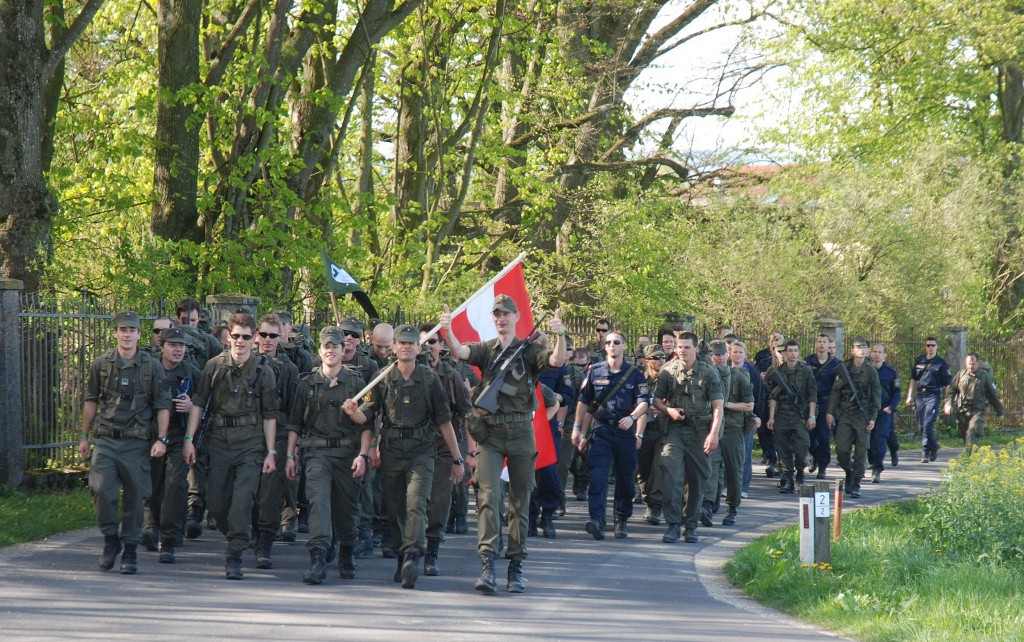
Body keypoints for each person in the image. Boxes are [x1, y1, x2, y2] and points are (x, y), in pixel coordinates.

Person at [440, 295, 566, 594]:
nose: (501, 319)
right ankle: (488, 565)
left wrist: (560, 334)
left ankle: (516, 567)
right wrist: (448, 330)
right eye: (496, 314)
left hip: (522, 431)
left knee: (521, 500)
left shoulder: (532, 350)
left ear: (517, 316)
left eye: (506, 314)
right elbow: (459, 351)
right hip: (490, 434)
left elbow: (556, 360)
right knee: (488, 496)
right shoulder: (487, 349)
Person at [183, 312, 279, 580]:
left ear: (254, 339)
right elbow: (199, 404)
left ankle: (235, 553)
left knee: (242, 499)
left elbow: (270, 415)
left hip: (251, 444)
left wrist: (271, 452)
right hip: (219, 442)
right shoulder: (214, 366)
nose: (240, 341)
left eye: (246, 337)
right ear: (228, 337)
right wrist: (189, 439)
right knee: (215, 503)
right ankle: (238, 533)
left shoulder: (263, 371)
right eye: (235, 336)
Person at [78, 311, 172, 575]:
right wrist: (84, 436)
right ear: (116, 333)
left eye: (132, 330)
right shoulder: (101, 364)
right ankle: (111, 539)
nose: (127, 334)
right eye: (123, 330)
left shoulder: (150, 366)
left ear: (139, 334)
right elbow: (91, 400)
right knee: (101, 490)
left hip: (136, 442)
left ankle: (129, 548)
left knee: (134, 497)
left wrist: (162, 438)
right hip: (106, 439)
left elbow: (162, 404)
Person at [374, 324, 465, 589]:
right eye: (401, 342)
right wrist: (355, 414)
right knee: (394, 507)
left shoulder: (429, 378)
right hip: (391, 451)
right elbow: (370, 416)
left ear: (418, 348)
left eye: (411, 343)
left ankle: (413, 554)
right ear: (394, 347)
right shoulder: (383, 378)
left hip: (422, 451)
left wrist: (458, 459)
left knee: (416, 502)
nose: (406, 347)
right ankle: (401, 556)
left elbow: (445, 421)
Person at [285, 326, 374, 584]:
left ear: (342, 349)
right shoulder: (307, 383)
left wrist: (363, 455)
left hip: (347, 454)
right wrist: (290, 456)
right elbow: (294, 424)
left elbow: (367, 424)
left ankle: (347, 550)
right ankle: (318, 557)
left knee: (346, 510)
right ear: (320, 350)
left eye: (335, 346)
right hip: (317, 454)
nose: (331, 350)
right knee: (319, 503)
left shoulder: (357, 384)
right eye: (326, 346)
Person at [572, 330, 650, 540]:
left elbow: (644, 401)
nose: (612, 345)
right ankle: (597, 520)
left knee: (625, 479)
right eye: (608, 343)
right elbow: (585, 403)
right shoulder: (595, 372)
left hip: (624, 432)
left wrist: (632, 418)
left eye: (616, 342)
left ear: (624, 346)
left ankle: (621, 519)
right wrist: (578, 430)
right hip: (602, 430)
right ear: (604, 347)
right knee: (597, 477)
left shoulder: (635, 373)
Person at [652, 331, 724, 544]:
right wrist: (669, 410)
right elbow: (656, 400)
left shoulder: (709, 372)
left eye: (686, 347)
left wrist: (713, 434)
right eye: (679, 347)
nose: (682, 350)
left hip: (700, 430)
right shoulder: (668, 370)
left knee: (697, 479)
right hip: (675, 429)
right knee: (671, 474)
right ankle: (673, 524)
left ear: (696, 348)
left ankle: (691, 525)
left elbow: (718, 406)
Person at [141, 327, 200, 563]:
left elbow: (207, 403)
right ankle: (151, 525)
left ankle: (169, 538)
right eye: (173, 345)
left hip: (180, 436)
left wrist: (192, 405)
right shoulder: (149, 370)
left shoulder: (193, 373)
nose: (178, 350)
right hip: (152, 434)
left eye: (181, 346)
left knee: (175, 484)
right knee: (153, 483)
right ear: (161, 347)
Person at [419, 322, 473, 576]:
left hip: (443, 447)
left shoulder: (451, 376)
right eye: (423, 342)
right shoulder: (405, 372)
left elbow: (466, 415)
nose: (427, 347)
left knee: (439, 502)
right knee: (412, 502)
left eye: (432, 341)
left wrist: (466, 454)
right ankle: (408, 551)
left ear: (441, 345)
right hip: (412, 448)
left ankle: (432, 551)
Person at [253, 314, 300, 568]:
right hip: (248, 432)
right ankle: (250, 529)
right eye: (263, 335)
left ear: (280, 337)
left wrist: (293, 448)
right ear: (256, 336)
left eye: (273, 335)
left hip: (279, 432)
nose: (268, 340)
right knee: (245, 489)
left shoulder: (289, 369)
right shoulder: (246, 364)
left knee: (271, 490)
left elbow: (294, 410)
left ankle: (265, 540)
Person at [703, 340, 753, 526]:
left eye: (724, 354)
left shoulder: (739, 376)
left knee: (734, 469)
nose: (721, 357)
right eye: (717, 354)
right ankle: (709, 503)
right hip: (712, 429)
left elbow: (749, 405)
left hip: (732, 429)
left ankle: (732, 507)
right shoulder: (706, 375)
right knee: (711, 467)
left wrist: (724, 405)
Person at [827, 338, 881, 499]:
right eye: (858, 347)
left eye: (864, 348)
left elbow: (876, 396)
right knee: (842, 449)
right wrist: (830, 412)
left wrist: (873, 417)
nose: (861, 350)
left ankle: (856, 481)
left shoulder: (871, 371)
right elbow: (835, 392)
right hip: (845, 413)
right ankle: (848, 471)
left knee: (861, 451)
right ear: (852, 350)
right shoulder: (845, 368)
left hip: (862, 414)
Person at [766, 339, 817, 494]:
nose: (793, 354)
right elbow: (773, 396)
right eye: (790, 351)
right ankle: (788, 478)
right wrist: (771, 417)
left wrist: (812, 416)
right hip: (782, 414)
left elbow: (812, 394)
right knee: (782, 448)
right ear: (785, 353)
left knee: (802, 447)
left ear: (798, 352)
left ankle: (800, 471)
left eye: (795, 351)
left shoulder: (806, 370)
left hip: (799, 415)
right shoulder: (778, 371)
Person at [944, 353, 1004, 455]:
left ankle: (969, 460)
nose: (971, 366)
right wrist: (948, 404)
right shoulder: (960, 375)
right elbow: (951, 391)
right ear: (965, 363)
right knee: (966, 437)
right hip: (963, 412)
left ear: (978, 363)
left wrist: (1000, 411)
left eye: (973, 363)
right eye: (969, 364)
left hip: (977, 411)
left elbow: (992, 395)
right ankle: (973, 459)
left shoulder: (984, 377)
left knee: (972, 434)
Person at [906, 337, 952, 462]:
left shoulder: (941, 363)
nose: (930, 347)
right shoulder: (919, 360)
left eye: (933, 345)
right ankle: (934, 445)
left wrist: (948, 402)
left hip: (933, 395)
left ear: (937, 347)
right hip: (920, 395)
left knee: (928, 424)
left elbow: (947, 384)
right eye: (928, 345)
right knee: (921, 426)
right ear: (925, 347)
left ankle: (925, 451)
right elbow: (913, 379)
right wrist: (909, 395)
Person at [637, 343, 667, 525]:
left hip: (663, 428)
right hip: (642, 429)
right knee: (642, 470)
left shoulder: (669, 378)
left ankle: (656, 506)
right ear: (647, 360)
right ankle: (649, 501)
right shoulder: (638, 378)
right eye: (656, 357)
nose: (660, 360)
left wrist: (664, 408)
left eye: (662, 356)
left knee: (659, 466)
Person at [805, 333, 840, 479]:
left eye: (824, 342)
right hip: (810, 403)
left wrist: (833, 409)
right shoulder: (807, 362)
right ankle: (817, 457)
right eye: (819, 342)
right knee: (810, 437)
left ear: (828, 345)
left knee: (824, 437)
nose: (821, 344)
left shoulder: (836, 365)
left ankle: (823, 467)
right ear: (816, 344)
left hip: (827, 402)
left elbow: (838, 389)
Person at [869, 343, 901, 483]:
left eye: (880, 352)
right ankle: (872, 460)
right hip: (869, 411)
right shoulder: (866, 370)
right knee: (869, 440)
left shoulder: (890, 371)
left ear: (884, 355)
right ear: (870, 353)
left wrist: (891, 407)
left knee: (880, 439)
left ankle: (877, 469)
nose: (877, 354)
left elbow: (897, 392)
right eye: (874, 351)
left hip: (884, 411)